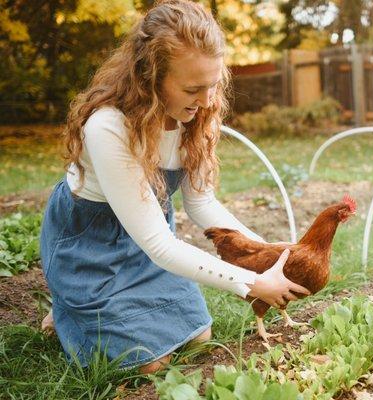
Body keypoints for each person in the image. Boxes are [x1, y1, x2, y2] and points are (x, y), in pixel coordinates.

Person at [39, 0, 309, 374]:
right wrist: (250, 283)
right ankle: (68, 305)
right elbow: (161, 246)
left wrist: (269, 254)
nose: (208, 100)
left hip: (146, 241)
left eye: (213, 85)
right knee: (148, 365)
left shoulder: (198, 115)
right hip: (91, 246)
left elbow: (202, 205)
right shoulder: (108, 127)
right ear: (150, 77)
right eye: (193, 88)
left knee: (199, 336)